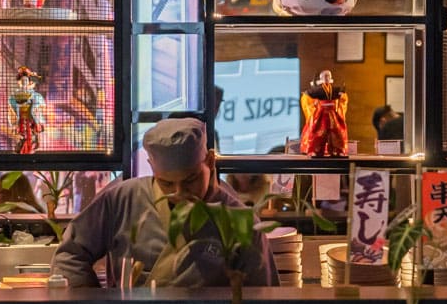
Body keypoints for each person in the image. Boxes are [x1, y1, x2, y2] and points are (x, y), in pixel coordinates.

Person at [50, 118, 278, 289]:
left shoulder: (241, 222)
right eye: (166, 183)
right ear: (152, 168)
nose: (179, 192)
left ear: (210, 161)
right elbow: (70, 256)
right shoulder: (122, 199)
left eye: (190, 180)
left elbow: (263, 300)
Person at [300, 70, 348, 157]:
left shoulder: (335, 90)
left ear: (331, 77)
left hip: (333, 114)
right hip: (321, 114)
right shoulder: (317, 90)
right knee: (318, 132)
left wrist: (342, 96)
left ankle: (337, 150)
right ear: (321, 78)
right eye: (325, 76)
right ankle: (316, 151)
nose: (327, 78)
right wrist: (313, 104)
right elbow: (306, 96)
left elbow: (342, 98)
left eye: (328, 76)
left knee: (337, 133)